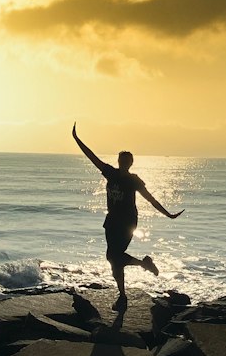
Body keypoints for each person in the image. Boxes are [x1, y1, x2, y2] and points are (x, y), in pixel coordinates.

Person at [72, 123, 183, 309]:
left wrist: (168, 214)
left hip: (127, 222)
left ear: (130, 163)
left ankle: (135, 277)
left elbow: (150, 199)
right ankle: (124, 293)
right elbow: (92, 157)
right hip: (111, 221)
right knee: (113, 258)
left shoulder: (134, 181)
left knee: (114, 256)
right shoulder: (110, 173)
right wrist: (76, 139)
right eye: (121, 160)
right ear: (118, 161)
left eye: (127, 161)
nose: (123, 163)